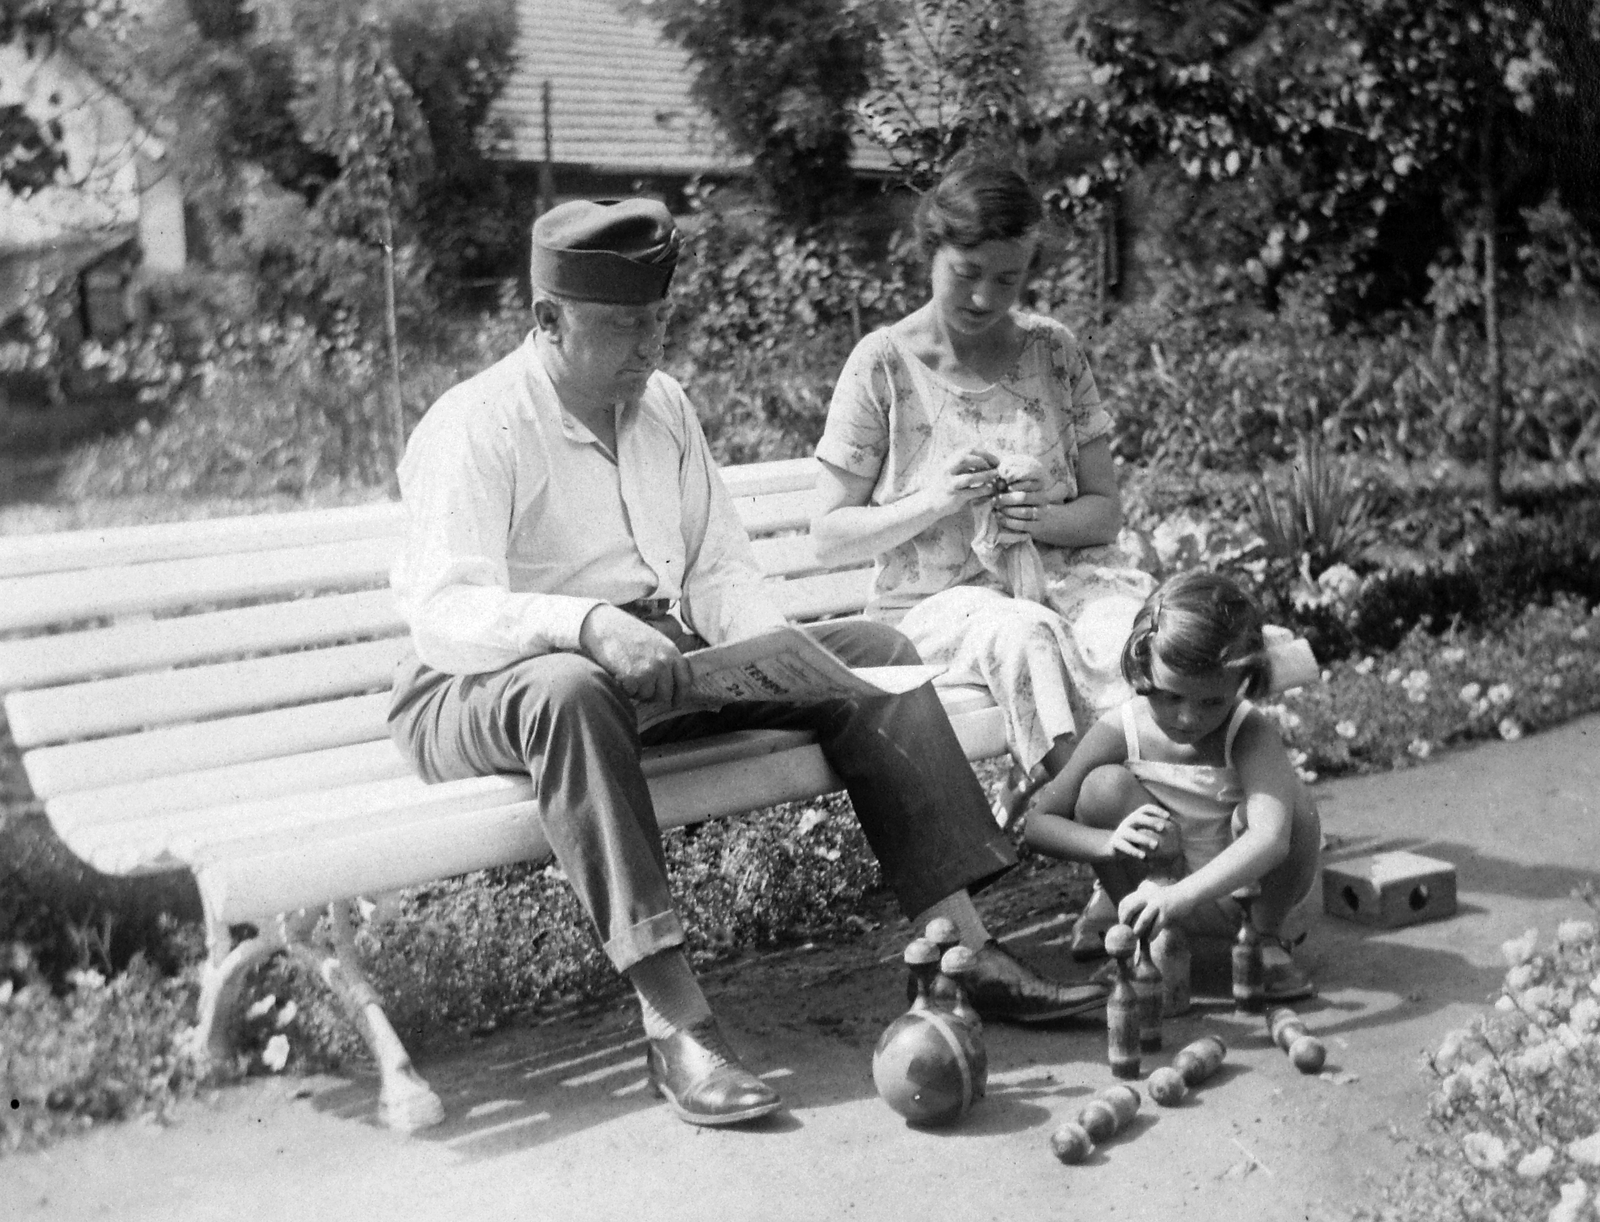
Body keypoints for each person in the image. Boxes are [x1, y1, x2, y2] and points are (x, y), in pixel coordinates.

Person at [387, 196, 1105, 1130]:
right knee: (570, 689)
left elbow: (720, 568)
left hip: (646, 665)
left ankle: (964, 947)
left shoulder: (663, 408)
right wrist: (588, 625)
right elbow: (444, 611)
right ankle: (676, 1021)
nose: (647, 350)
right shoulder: (477, 423)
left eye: (657, 322)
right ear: (546, 321)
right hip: (479, 685)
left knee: (878, 659)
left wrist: (772, 654)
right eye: (620, 328)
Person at [810, 157, 1154, 830]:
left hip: (1062, 580)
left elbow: (1104, 512)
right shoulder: (883, 365)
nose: (983, 299)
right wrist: (934, 501)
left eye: (1008, 278)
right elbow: (827, 535)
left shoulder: (1052, 352)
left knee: (1133, 635)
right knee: (1024, 635)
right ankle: (1115, 839)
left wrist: (1038, 518)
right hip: (936, 606)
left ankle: (1148, 830)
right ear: (930, 250)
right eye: (966, 274)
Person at [1021, 569, 1322, 1001]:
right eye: (1170, 696)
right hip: (1158, 894)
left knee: (1286, 802)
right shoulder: (1120, 729)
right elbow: (1038, 824)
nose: (1187, 718)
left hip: (1246, 894)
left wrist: (1182, 896)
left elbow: (1271, 840)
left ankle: (1265, 942)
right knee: (1101, 787)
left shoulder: (1247, 731)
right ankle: (1153, 941)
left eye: (1211, 701)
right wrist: (1110, 843)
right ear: (1143, 667)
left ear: (1242, 683)